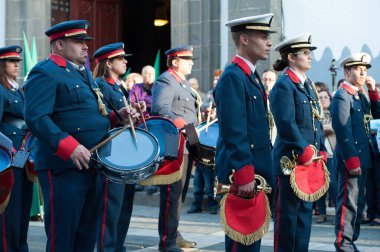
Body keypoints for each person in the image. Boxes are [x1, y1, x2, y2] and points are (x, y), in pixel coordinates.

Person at [23, 20, 138, 252]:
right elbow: (36, 117)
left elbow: (90, 114)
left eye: (85, 41)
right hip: (64, 168)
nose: (85, 47)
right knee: (63, 238)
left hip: (93, 164)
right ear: (59, 45)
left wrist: (119, 118)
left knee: (86, 236)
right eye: (78, 42)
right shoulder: (45, 72)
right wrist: (68, 146)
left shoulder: (83, 73)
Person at [215, 13, 275, 252]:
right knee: (242, 243)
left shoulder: (250, 75)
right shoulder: (232, 76)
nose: (269, 42)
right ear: (244, 39)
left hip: (255, 171)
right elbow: (234, 131)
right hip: (242, 175)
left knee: (251, 242)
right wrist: (243, 172)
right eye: (263, 36)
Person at [269, 33, 327, 252]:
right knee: (288, 220)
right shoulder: (284, 85)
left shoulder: (308, 84)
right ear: (291, 57)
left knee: (304, 218)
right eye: (305, 53)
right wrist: (303, 151)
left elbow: (315, 120)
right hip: (291, 163)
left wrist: (320, 148)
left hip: (309, 161)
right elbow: (286, 123)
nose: (310, 56)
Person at [92, 42, 141, 252]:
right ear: (109, 63)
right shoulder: (101, 85)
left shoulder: (119, 86)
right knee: (110, 207)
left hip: (124, 152)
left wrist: (135, 111)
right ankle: (107, 247)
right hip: (112, 152)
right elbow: (101, 118)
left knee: (123, 205)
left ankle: (117, 245)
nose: (125, 61)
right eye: (121, 59)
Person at [151, 45, 199, 252]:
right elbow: (160, 108)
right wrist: (184, 125)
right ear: (176, 61)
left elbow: (187, 109)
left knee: (179, 194)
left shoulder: (184, 83)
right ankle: (167, 241)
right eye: (188, 59)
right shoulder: (166, 80)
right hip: (176, 143)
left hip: (187, 143)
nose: (192, 63)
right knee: (172, 193)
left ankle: (174, 233)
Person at [331, 53, 380, 251]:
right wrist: (352, 160)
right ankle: (343, 242)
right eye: (358, 69)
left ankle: (350, 241)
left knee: (359, 203)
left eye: (365, 69)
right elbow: (343, 131)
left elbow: (375, 119)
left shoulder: (360, 96)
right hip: (352, 159)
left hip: (365, 157)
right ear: (347, 71)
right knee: (348, 203)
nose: (362, 72)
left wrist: (373, 93)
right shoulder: (342, 96)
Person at [0, 45, 33, 251]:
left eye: (18, 62)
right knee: (10, 212)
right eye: (12, 62)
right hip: (8, 158)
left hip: (24, 157)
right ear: (2, 65)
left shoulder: (17, 89)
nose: (16, 66)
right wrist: (8, 151)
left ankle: (21, 246)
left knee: (23, 208)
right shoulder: (1, 90)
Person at [316, 88, 337, 224]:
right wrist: (327, 129)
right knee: (320, 185)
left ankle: (337, 211)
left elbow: (336, 128)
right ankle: (321, 213)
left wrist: (328, 128)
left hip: (333, 154)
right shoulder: (315, 115)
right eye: (320, 97)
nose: (323, 99)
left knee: (334, 185)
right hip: (319, 154)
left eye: (325, 97)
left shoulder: (335, 113)